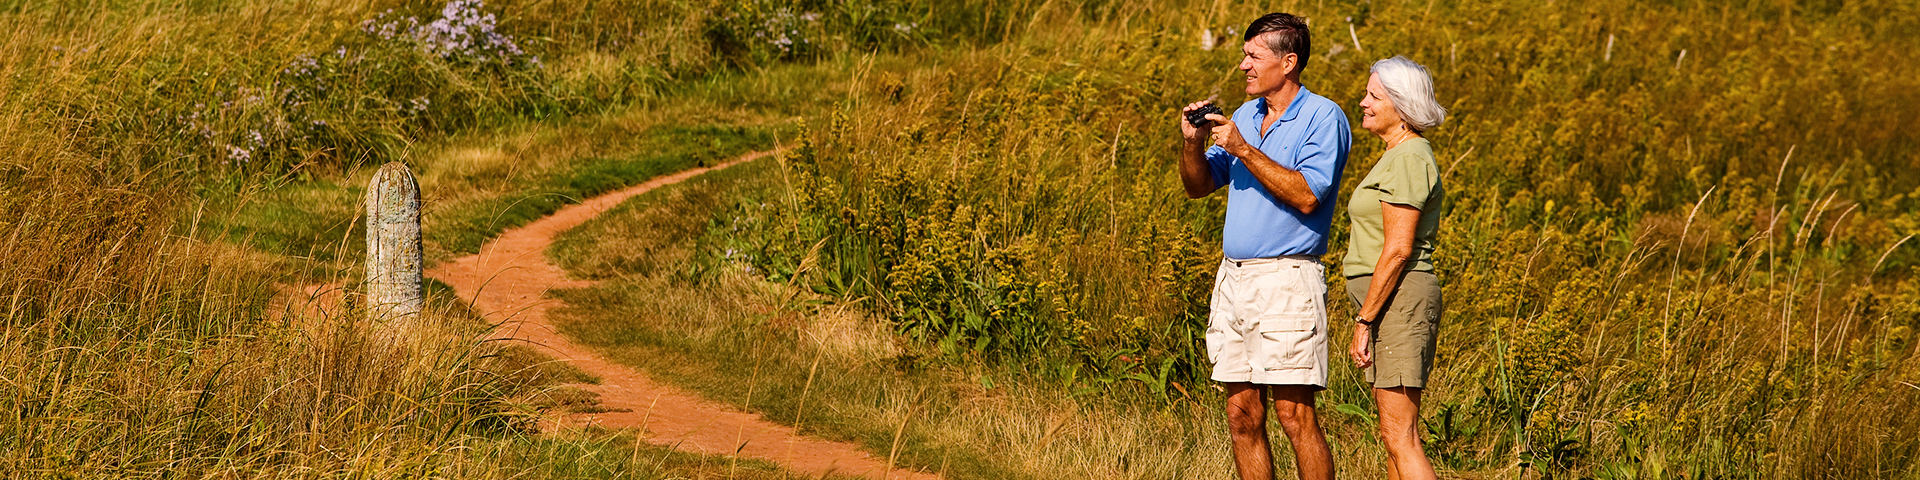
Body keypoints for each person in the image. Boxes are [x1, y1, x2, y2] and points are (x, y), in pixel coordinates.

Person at [1177, 12, 1350, 480]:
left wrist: (1243, 150)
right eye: (1244, 55)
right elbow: (1197, 186)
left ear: (1288, 62)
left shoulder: (1323, 116)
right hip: (1234, 277)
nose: (1243, 66)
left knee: (1295, 417)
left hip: (1288, 279)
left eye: (1253, 56)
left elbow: (1308, 195)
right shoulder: (1244, 116)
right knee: (1241, 416)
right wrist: (1193, 143)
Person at [1344, 55, 1447, 480]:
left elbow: (1398, 249)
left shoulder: (1408, 157)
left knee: (1399, 434)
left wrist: (1364, 320)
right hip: (1391, 300)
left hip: (1398, 299)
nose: (1364, 102)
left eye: (1374, 96)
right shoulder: (1396, 156)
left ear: (1401, 107)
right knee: (1392, 436)